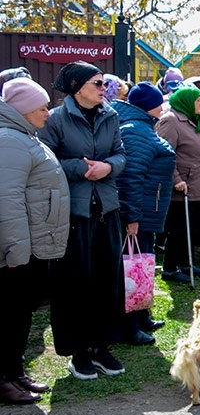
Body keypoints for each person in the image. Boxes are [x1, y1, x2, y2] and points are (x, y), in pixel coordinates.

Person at [38, 61, 128, 380]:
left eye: (105, 84)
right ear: (78, 88)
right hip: (73, 213)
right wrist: (79, 167)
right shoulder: (56, 119)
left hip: (107, 208)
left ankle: (103, 346)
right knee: (75, 282)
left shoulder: (111, 115)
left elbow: (120, 154)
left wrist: (108, 168)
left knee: (108, 280)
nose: (105, 89)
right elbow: (45, 161)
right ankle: (78, 352)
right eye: (98, 83)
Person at [0, 78, 70, 403]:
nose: (48, 112)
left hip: (31, 246)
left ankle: (14, 372)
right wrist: (16, 250)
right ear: (24, 109)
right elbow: (7, 200)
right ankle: (3, 379)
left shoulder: (24, 136)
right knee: (9, 314)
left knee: (21, 313)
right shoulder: (10, 141)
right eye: (42, 107)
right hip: (17, 251)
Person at [112, 82, 176, 346]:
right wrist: (133, 217)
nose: (163, 106)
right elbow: (131, 178)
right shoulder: (136, 131)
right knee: (132, 269)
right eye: (159, 101)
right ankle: (129, 327)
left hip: (148, 211)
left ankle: (141, 316)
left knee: (142, 266)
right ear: (150, 105)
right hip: (138, 215)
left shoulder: (142, 127)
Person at [155, 87, 200, 283]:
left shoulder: (192, 121)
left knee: (191, 228)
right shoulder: (171, 120)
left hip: (198, 186)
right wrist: (176, 180)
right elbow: (164, 153)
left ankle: (185, 263)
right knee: (178, 229)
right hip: (183, 187)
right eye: (198, 104)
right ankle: (169, 269)